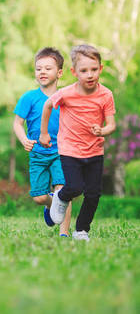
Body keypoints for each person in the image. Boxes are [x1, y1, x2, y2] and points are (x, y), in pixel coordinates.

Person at [41, 44, 116, 241]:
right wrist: (44, 133)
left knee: (93, 194)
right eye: (84, 70)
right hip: (70, 149)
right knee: (74, 187)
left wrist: (103, 130)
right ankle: (61, 197)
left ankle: (81, 229)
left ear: (100, 68)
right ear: (75, 72)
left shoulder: (106, 95)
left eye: (94, 69)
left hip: (94, 152)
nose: (90, 74)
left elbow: (111, 125)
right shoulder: (66, 93)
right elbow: (48, 105)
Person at [13, 47, 72, 236]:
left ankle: (64, 233)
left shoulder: (65, 98)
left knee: (64, 191)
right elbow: (17, 124)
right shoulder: (29, 97)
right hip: (37, 153)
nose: (43, 72)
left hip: (61, 152)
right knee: (38, 197)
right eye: (39, 69)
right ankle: (51, 205)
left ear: (59, 73)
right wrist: (24, 140)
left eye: (48, 68)